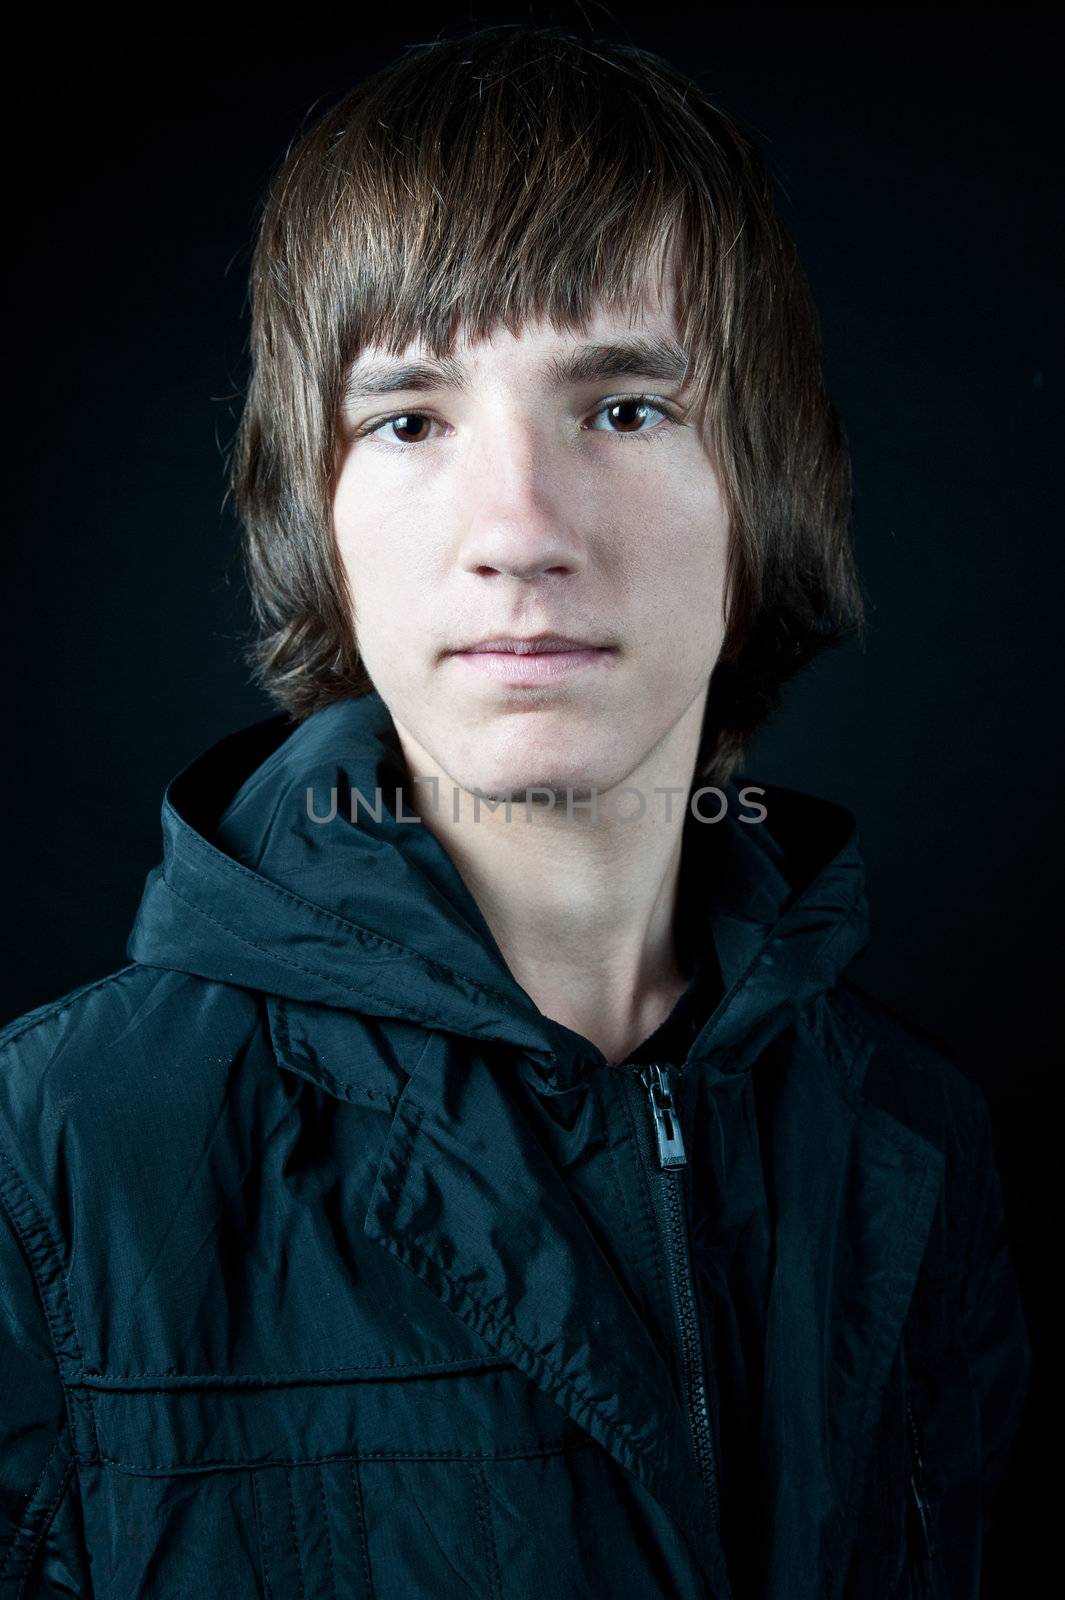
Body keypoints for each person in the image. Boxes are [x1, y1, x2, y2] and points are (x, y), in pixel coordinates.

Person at [0, 23, 1030, 1600]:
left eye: (621, 408)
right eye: (409, 420)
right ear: (317, 513)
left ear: (764, 486)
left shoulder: (917, 1141)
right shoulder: (49, 1151)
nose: (519, 532)